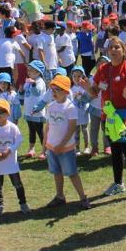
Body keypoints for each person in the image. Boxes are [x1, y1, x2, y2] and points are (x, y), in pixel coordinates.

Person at [79, 37, 126, 200]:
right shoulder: (103, 70)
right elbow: (94, 92)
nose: (114, 50)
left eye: (117, 47)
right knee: (115, 150)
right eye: (111, 48)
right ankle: (118, 184)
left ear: (123, 50)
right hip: (109, 115)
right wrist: (87, 87)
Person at [43, 74, 91, 210]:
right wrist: (45, 146)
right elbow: (48, 127)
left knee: (72, 173)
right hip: (52, 147)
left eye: (56, 90)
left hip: (66, 148)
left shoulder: (70, 107)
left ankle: (83, 197)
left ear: (65, 92)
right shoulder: (51, 106)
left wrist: (61, 145)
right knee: (56, 172)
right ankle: (60, 196)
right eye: (52, 90)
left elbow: (71, 130)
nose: (53, 93)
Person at [0, 98, 30, 216]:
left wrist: (9, 150)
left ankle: (23, 203)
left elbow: (18, 140)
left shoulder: (12, 127)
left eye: (1, 111)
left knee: (17, 183)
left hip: (11, 162)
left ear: (7, 113)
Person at [22, 60, 49, 159]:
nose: (29, 72)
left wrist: (33, 84)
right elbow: (25, 92)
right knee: (31, 130)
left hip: (37, 112)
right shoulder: (29, 80)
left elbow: (37, 92)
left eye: (31, 70)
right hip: (29, 111)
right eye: (28, 70)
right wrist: (21, 91)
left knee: (40, 131)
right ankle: (31, 149)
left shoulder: (40, 82)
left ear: (38, 72)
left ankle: (45, 151)